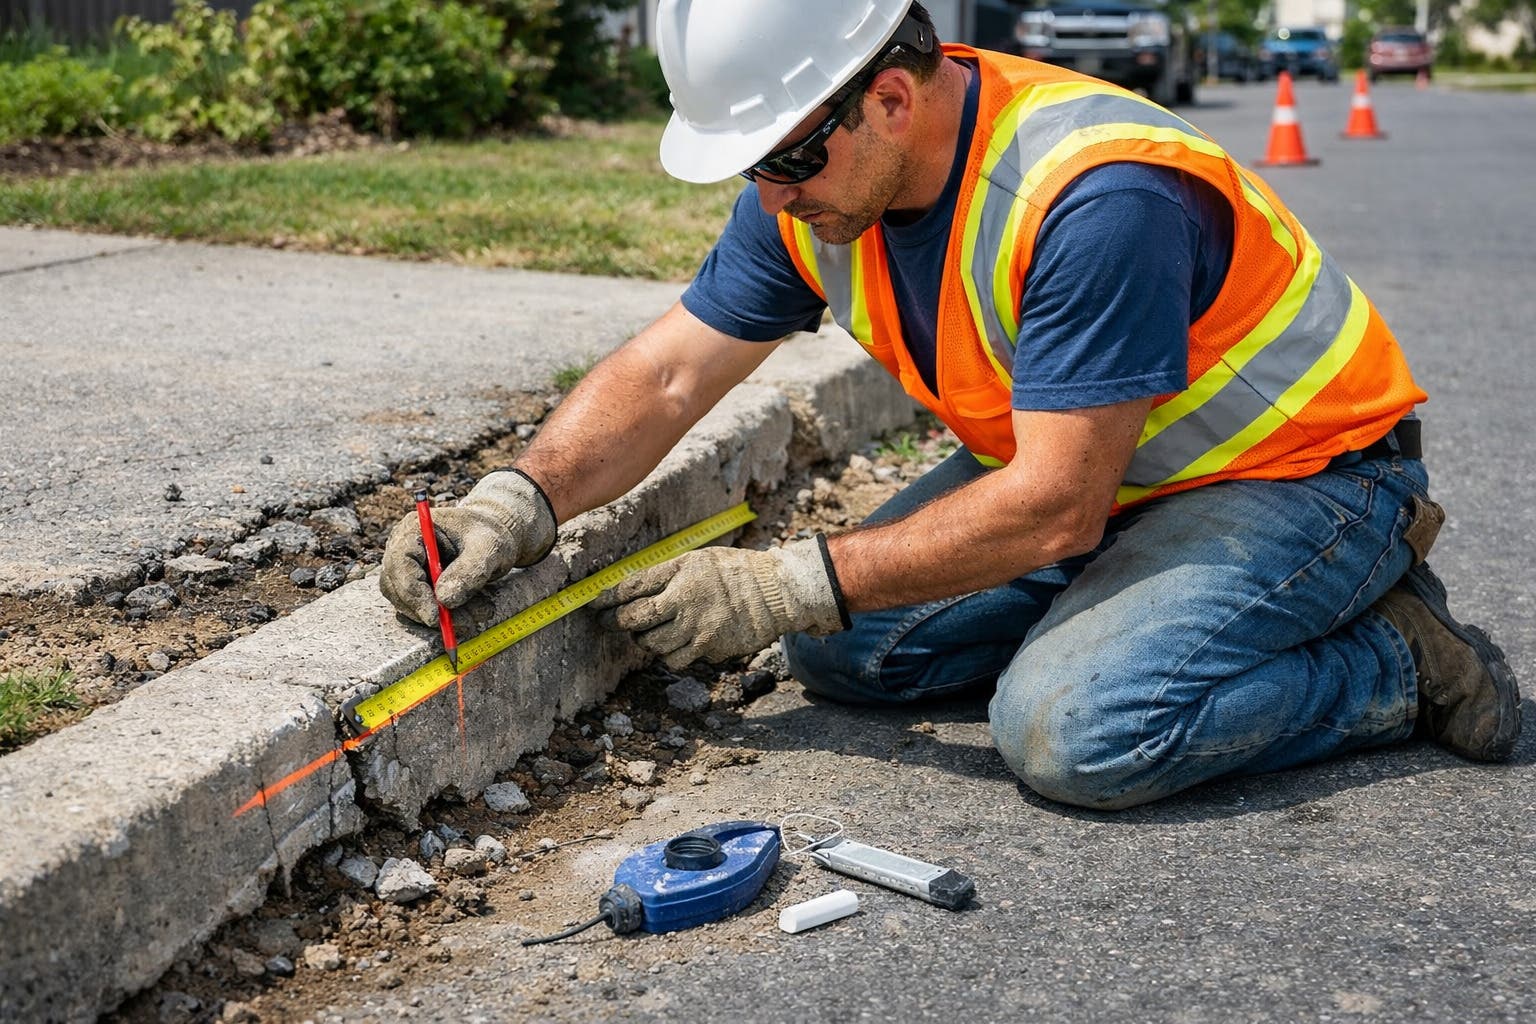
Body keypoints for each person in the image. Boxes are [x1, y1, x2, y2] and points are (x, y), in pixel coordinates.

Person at [381, 0, 1521, 809]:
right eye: (752, 170)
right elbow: (674, 369)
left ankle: (1394, 660)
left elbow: (1058, 507)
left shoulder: (1095, 193)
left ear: (887, 97)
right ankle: (1141, 618)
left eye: (785, 162)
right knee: (844, 656)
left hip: (1305, 482)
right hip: (1103, 479)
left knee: (1072, 731)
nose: (770, 195)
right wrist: (516, 500)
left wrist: (789, 579)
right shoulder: (813, 189)